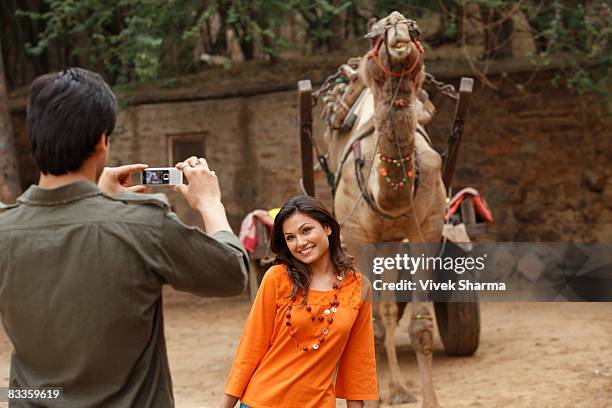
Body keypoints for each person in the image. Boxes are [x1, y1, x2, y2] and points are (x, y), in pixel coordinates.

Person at [0, 67, 248, 407]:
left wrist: (99, 202)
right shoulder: (144, 223)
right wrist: (210, 203)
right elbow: (231, 274)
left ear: (34, 135)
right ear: (103, 140)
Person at [220, 195, 378, 408]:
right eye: (290, 237)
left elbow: (358, 362)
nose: (300, 243)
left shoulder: (359, 287)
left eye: (306, 231)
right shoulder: (277, 278)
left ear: (327, 228)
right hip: (262, 402)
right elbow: (251, 347)